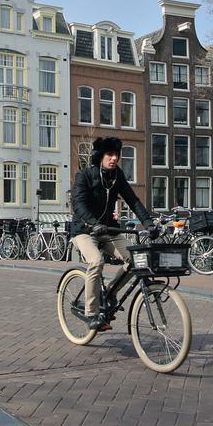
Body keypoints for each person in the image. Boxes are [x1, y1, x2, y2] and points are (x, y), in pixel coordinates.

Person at [70, 137, 158, 331]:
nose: (114, 158)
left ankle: (109, 292)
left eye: (116, 155)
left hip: (109, 229)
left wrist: (148, 223)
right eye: (109, 155)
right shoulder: (84, 175)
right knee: (96, 261)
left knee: (136, 259)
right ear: (100, 157)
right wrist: (93, 223)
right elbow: (78, 204)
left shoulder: (117, 176)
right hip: (84, 231)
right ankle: (91, 313)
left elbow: (133, 201)